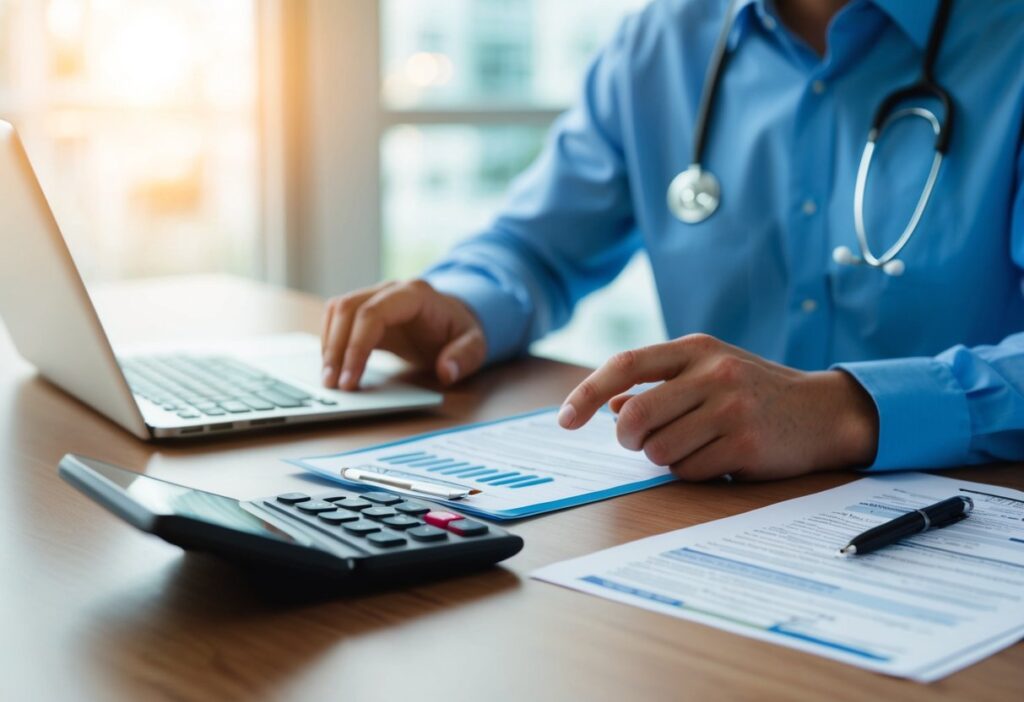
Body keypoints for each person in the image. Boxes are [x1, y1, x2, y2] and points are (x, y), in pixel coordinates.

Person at [321, 0, 1024, 481]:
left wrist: (844, 412)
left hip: (964, 523)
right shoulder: (661, 42)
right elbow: (536, 246)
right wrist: (464, 305)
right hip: (712, 525)